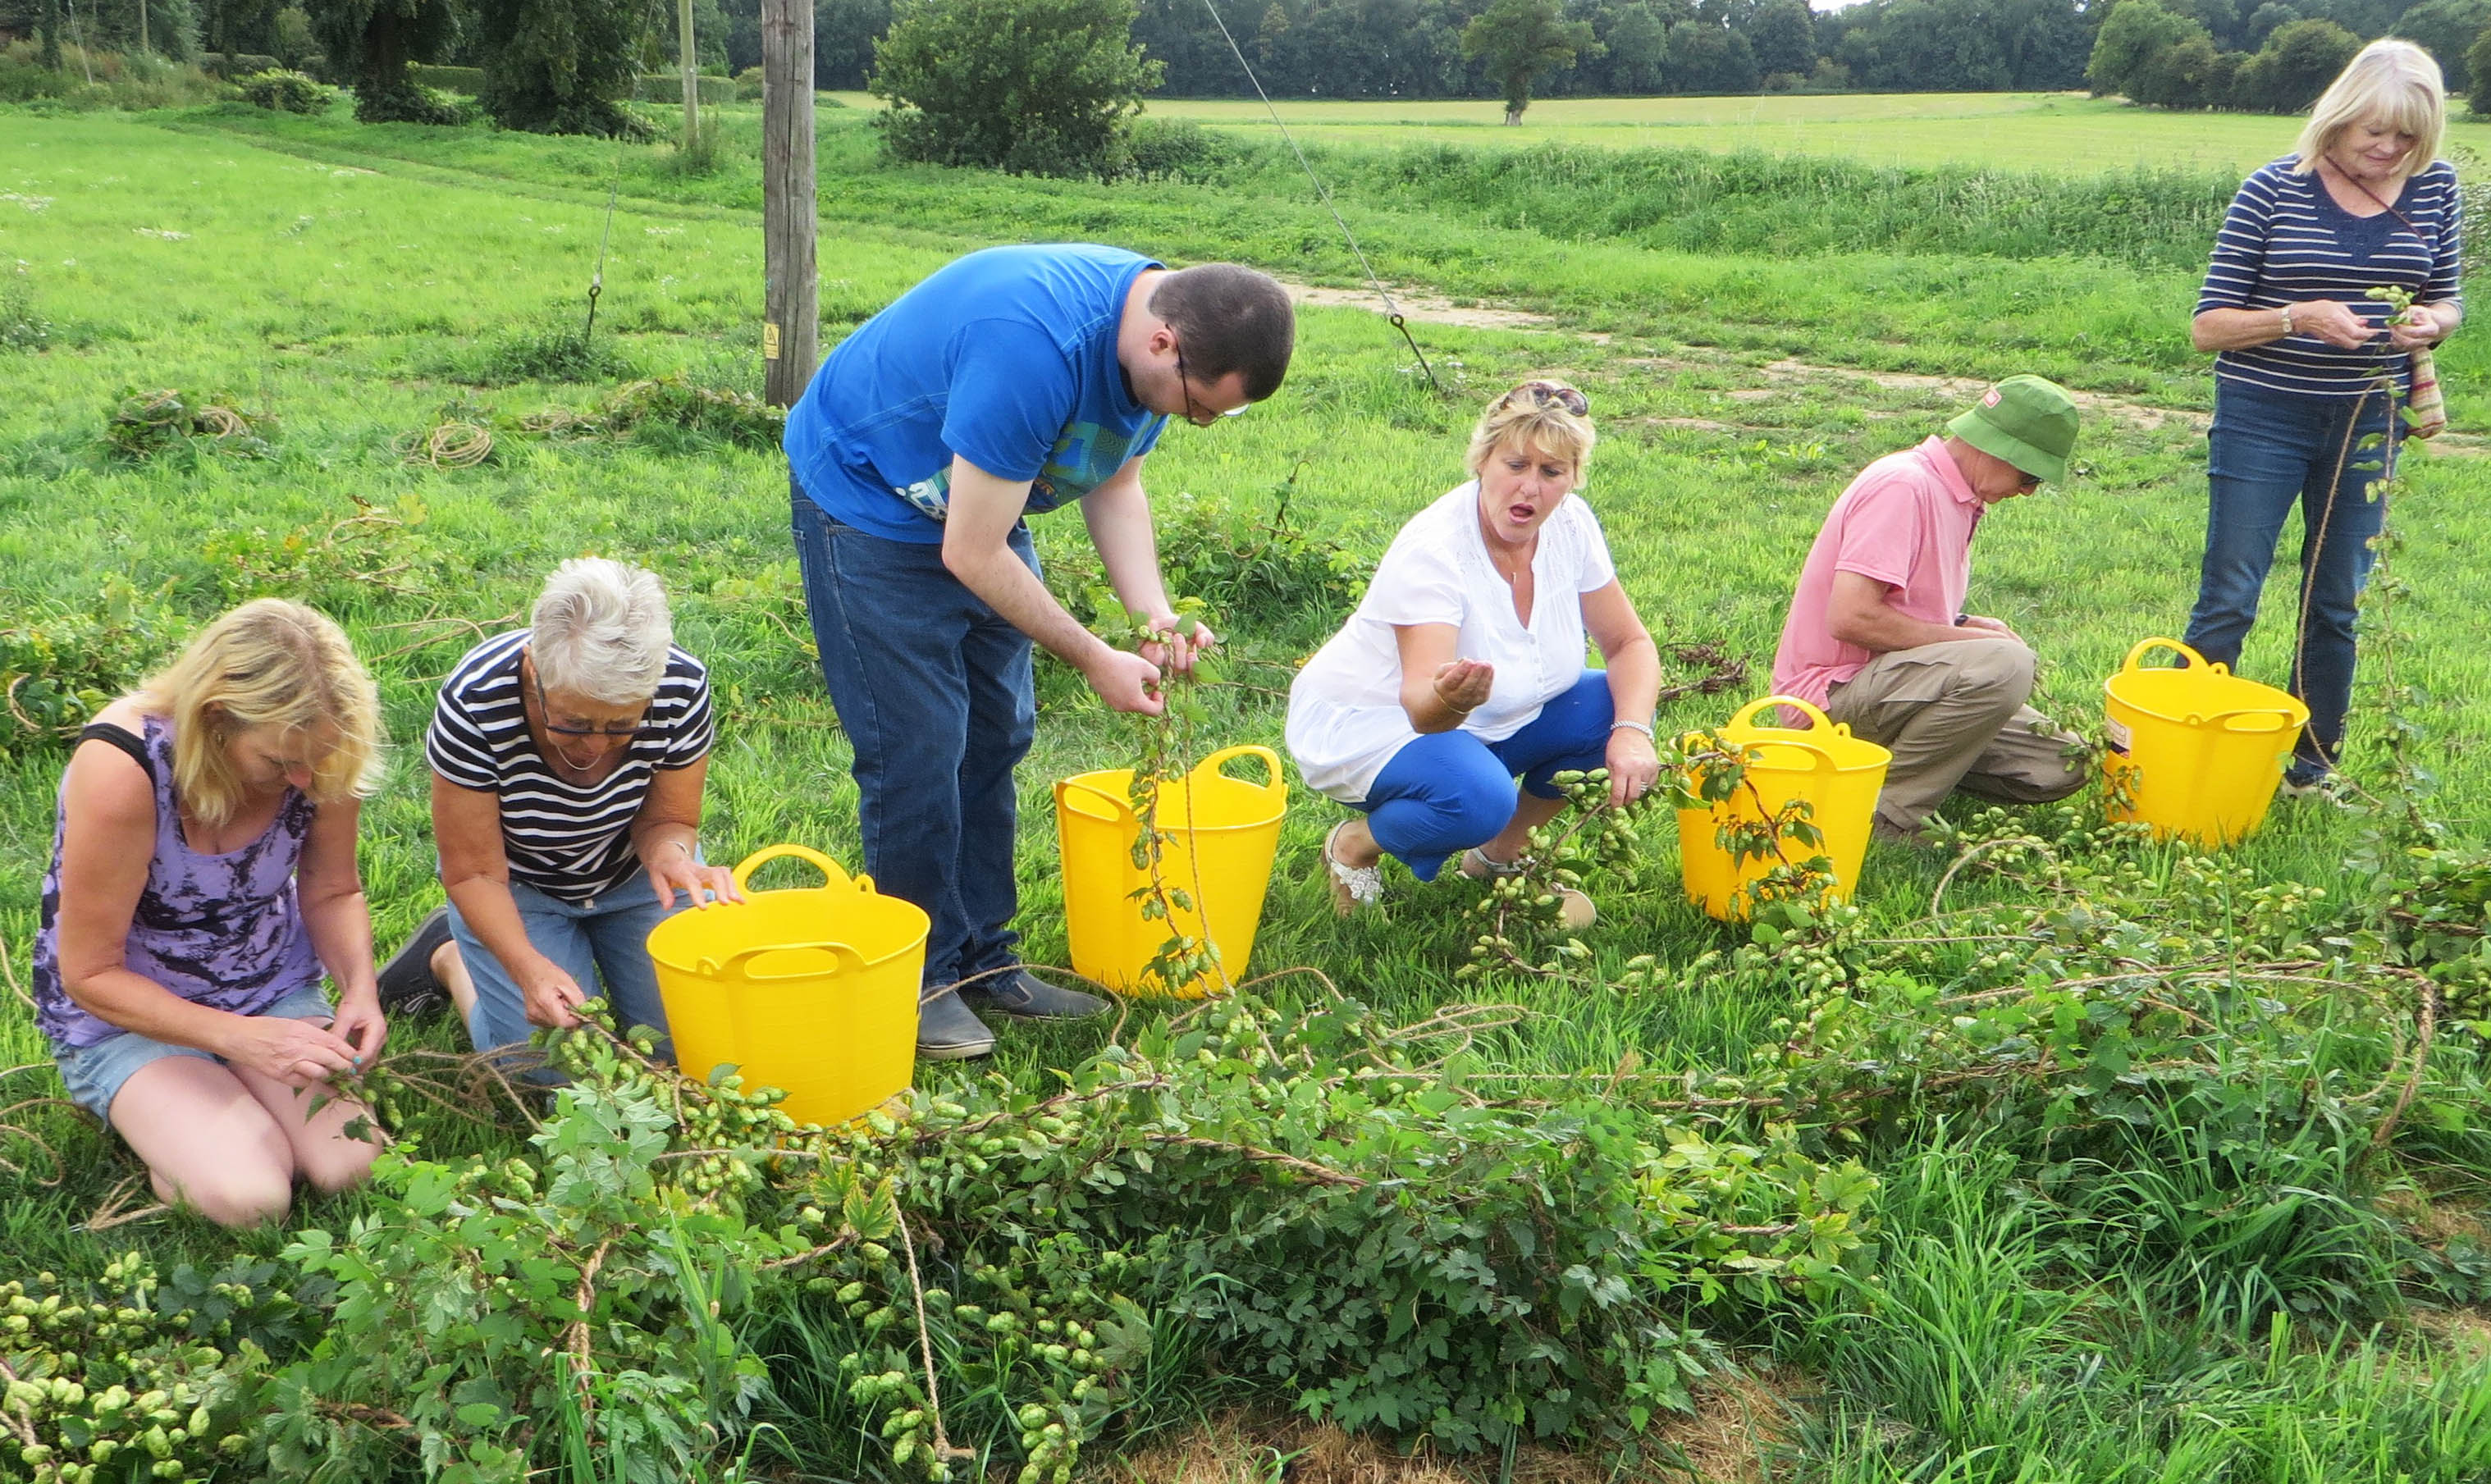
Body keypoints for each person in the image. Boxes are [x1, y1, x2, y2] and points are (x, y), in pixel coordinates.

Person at [784, 244, 1296, 1059]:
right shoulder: (1033, 349)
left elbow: (1116, 483)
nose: (1194, 422)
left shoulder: (1160, 343)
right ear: (1163, 342)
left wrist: (1154, 617)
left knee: (998, 733)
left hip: (979, 501)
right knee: (919, 749)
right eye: (1199, 406)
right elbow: (972, 552)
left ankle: (986, 962)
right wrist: (1094, 656)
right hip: (869, 496)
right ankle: (921, 981)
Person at [33, 599, 388, 1228]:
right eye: (278, 762)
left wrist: (360, 990)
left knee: (350, 1164)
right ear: (216, 718)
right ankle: (166, 1108)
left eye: (317, 757)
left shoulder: (319, 753)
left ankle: (211, 1108)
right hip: (129, 1015)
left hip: (267, 987)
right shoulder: (124, 767)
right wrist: (241, 1040)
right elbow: (89, 974)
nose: (303, 778)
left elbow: (333, 889)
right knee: (252, 1197)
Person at [2185, 39, 2463, 796]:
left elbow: (2449, 297)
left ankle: (2312, 767)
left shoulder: (2436, 187)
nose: (2391, 148)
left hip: (2370, 420)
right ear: (2340, 115)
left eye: (2408, 135)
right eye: (2376, 130)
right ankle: (2189, 748)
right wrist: (2296, 316)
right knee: (2231, 593)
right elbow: (2207, 327)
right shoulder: (2273, 190)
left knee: (2336, 600)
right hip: (2263, 416)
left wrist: (2433, 323)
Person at [1287, 379, 1661, 917]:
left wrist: (1633, 733)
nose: (1530, 488)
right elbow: (1422, 708)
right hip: (1374, 722)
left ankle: (1498, 857)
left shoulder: (1571, 525)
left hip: (1488, 716)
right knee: (1479, 798)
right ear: (1483, 460)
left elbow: (1628, 643)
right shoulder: (1435, 550)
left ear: (1573, 477)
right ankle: (1353, 845)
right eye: (1516, 465)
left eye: (1551, 472)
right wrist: (1453, 699)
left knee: (1615, 708)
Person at [395, 559, 740, 1068]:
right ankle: (451, 962)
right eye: (574, 724)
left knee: (691, 1047)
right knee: (550, 1066)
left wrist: (670, 855)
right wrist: (527, 968)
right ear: (534, 671)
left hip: (632, 877)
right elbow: (473, 871)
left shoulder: (680, 685)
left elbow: (668, 820)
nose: (596, 747)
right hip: (518, 886)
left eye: (621, 726)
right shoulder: (475, 700)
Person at [1770, 376, 2089, 841]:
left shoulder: (1956, 495)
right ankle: (1881, 820)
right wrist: (1972, 643)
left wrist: (1966, 624)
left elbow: (1903, 605)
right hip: (1828, 700)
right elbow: (1851, 616)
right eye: (2030, 477)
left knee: (2063, 763)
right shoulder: (1903, 485)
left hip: (1892, 687)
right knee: (2004, 664)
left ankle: (1877, 772)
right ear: (2000, 448)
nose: (2028, 492)